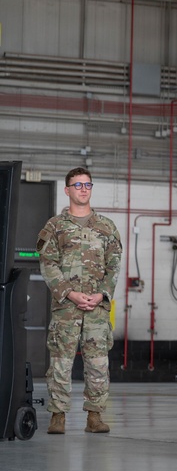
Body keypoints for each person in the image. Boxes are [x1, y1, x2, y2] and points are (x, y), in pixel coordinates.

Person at [37, 167, 122, 435]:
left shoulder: (106, 226)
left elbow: (114, 265)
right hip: (66, 308)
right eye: (78, 185)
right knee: (60, 361)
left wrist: (102, 294)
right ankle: (58, 415)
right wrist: (70, 293)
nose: (83, 189)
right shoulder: (55, 226)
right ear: (67, 190)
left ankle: (94, 416)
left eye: (87, 185)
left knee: (98, 362)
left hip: (97, 308)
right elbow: (47, 264)